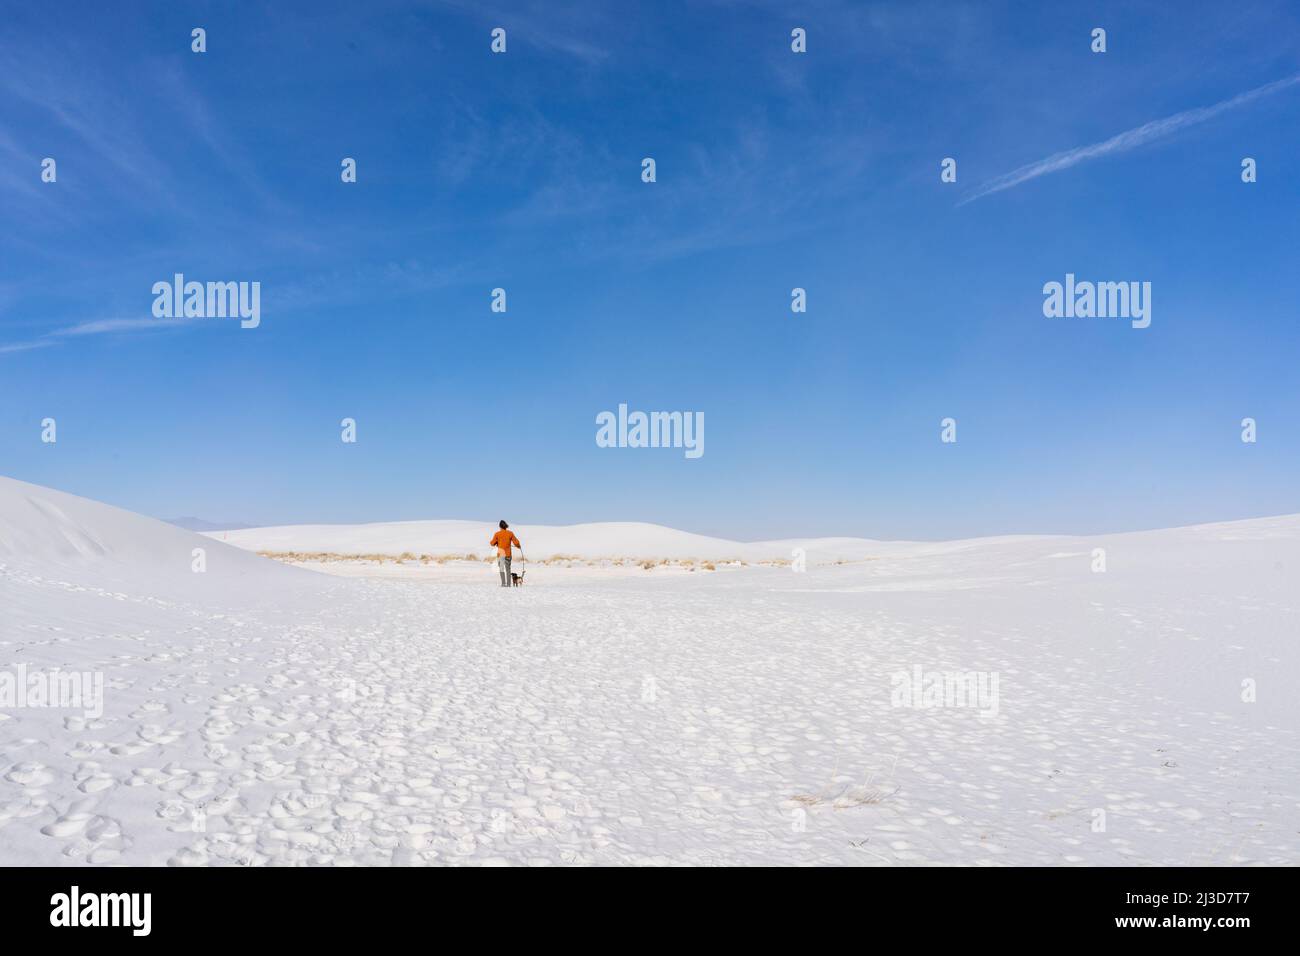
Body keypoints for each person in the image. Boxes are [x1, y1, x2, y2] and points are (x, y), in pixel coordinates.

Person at [489, 520, 522, 588]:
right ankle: (509, 584)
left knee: (501, 569)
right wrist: (519, 546)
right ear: (506, 526)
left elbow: (492, 543)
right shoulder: (510, 533)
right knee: (508, 569)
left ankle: (503, 583)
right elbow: (516, 542)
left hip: (501, 554)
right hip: (508, 554)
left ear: (500, 526)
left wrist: (496, 543)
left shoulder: (497, 534)